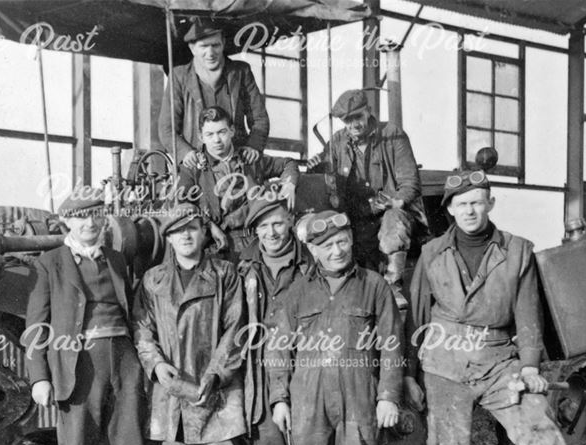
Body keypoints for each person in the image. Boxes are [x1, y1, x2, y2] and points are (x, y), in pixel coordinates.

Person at [407, 170, 568, 445]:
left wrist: (530, 366)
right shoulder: (431, 254)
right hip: (444, 359)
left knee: (537, 429)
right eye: (461, 204)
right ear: (449, 210)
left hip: (498, 358)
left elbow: (529, 315)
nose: (470, 210)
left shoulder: (517, 251)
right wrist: (410, 374)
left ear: (490, 204)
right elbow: (415, 318)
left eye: (477, 201)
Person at [266, 211, 404, 445]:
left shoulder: (374, 286)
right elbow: (277, 349)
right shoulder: (296, 292)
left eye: (342, 241)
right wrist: (279, 398)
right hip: (307, 398)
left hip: (358, 394)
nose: (337, 250)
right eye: (327, 245)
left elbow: (393, 346)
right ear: (312, 250)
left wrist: (388, 396)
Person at [23, 189, 145, 445]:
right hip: (77, 366)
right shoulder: (49, 264)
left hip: (124, 361)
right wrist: (39, 377)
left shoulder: (117, 259)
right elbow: (35, 328)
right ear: (67, 223)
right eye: (82, 217)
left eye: (97, 216)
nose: (91, 223)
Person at [134, 202, 252, 445]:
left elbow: (237, 328)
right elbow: (142, 329)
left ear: (204, 233)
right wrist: (155, 363)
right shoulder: (152, 280)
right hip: (172, 392)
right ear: (168, 238)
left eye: (192, 228)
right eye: (176, 230)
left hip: (217, 389)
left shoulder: (225, 274)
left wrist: (216, 374)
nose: (185, 235)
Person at [235, 195, 313, 445]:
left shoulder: (311, 262)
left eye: (278, 223)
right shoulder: (245, 268)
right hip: (261, 374)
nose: (272, 232)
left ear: (291, 222)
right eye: (263, 226)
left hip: (307, 368)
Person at [307, 89, 426, 307]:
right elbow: (329, 179)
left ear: (368, 111)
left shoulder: (392, 135)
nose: (353, 125)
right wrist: (318, 167)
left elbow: (410, 183)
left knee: (394, 219)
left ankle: (393, 286)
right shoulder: (337, 142)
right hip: (358, 217)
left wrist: (395, 201)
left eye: (357, 117)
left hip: (390, 213)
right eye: (347, 120)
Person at [177, 106, 298, 255]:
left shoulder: (250, 159)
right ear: (201, 137)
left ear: (232, 131)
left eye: (222, 132)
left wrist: (289, 184)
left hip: (255, 241)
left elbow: (289, 164)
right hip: (214, 245)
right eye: (209, 134)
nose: (217, 140)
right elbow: (182, 206)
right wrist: (209, 226)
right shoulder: (192, 168)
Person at [158, 19, 269, 170]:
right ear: (192, 48)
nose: (210, 53)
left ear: (223, 43)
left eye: (215, 45)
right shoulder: (178, 76)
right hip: (198, 167)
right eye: (203, 46)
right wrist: (185, 153)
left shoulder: (241, 71)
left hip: (238, 164)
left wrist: (253, 146)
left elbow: (260, 119)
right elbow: (167, 128)